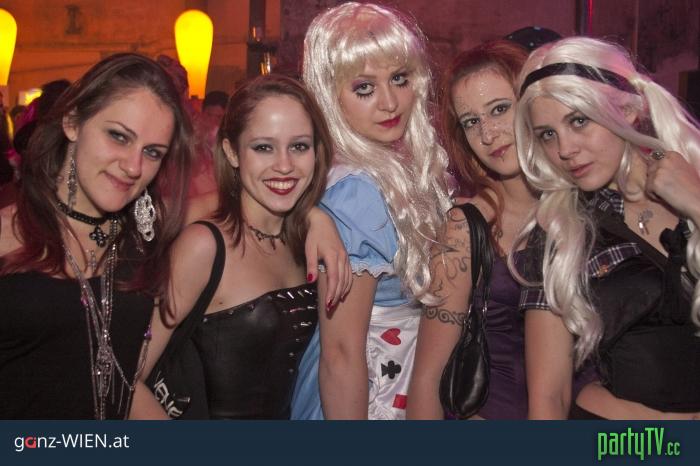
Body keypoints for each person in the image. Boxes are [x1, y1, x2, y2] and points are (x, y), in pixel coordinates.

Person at [513, 36, 700, 419]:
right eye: (548, 134)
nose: (564, 149)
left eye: (578, 121)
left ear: (628, 110)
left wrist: (696, 203)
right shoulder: (561, 233)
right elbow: (549, 398)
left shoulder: (692, 181)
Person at [0, 53, 193, 419]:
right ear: (73, 122)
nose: (134, 167)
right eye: (118, 136)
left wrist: (309, 219)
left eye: (152, 152)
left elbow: (122, 383)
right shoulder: (8, 236)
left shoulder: (143, 237)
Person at [131, 74, 334, 419]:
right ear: (231, 152)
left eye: (299, 146)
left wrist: (318, 218)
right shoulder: (203, 247)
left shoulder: (306, 241)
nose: (284, 165)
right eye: (263, 147)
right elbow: (128, 379)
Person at [293, 2, 451, 420]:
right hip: (366, 397)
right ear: (330, 96)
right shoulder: (357, 193)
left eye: (399, 79)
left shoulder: (394, 171)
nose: (390, 102)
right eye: (364, 88)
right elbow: (342, 354)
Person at [407, 40, 537, 419]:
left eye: (499, 109)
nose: (488, 134)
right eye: (471, 122)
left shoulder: (583, 206)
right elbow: (428, 379)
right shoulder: (464, 229)